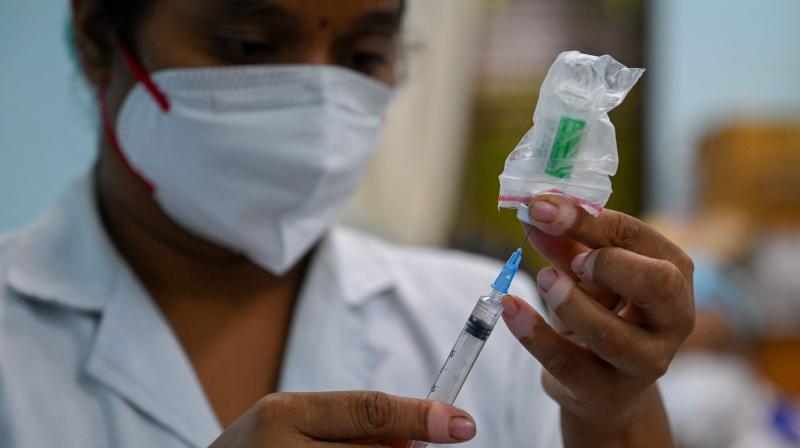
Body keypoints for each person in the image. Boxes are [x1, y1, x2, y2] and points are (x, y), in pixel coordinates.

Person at [0, 1, 695, 446]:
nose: (319, 99)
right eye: (248, 44)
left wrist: (616, 415)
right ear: (98, 39)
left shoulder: (501, 324)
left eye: (362, 57)